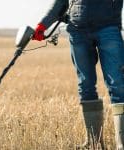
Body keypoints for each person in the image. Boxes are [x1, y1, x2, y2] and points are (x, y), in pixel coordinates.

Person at [32, 0, 124, 149]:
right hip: (78, 31)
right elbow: (61, 3)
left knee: (118, 85)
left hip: (108, 28)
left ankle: (122, 144)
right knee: (85, 85)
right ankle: (94, 144)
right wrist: (43, 25)